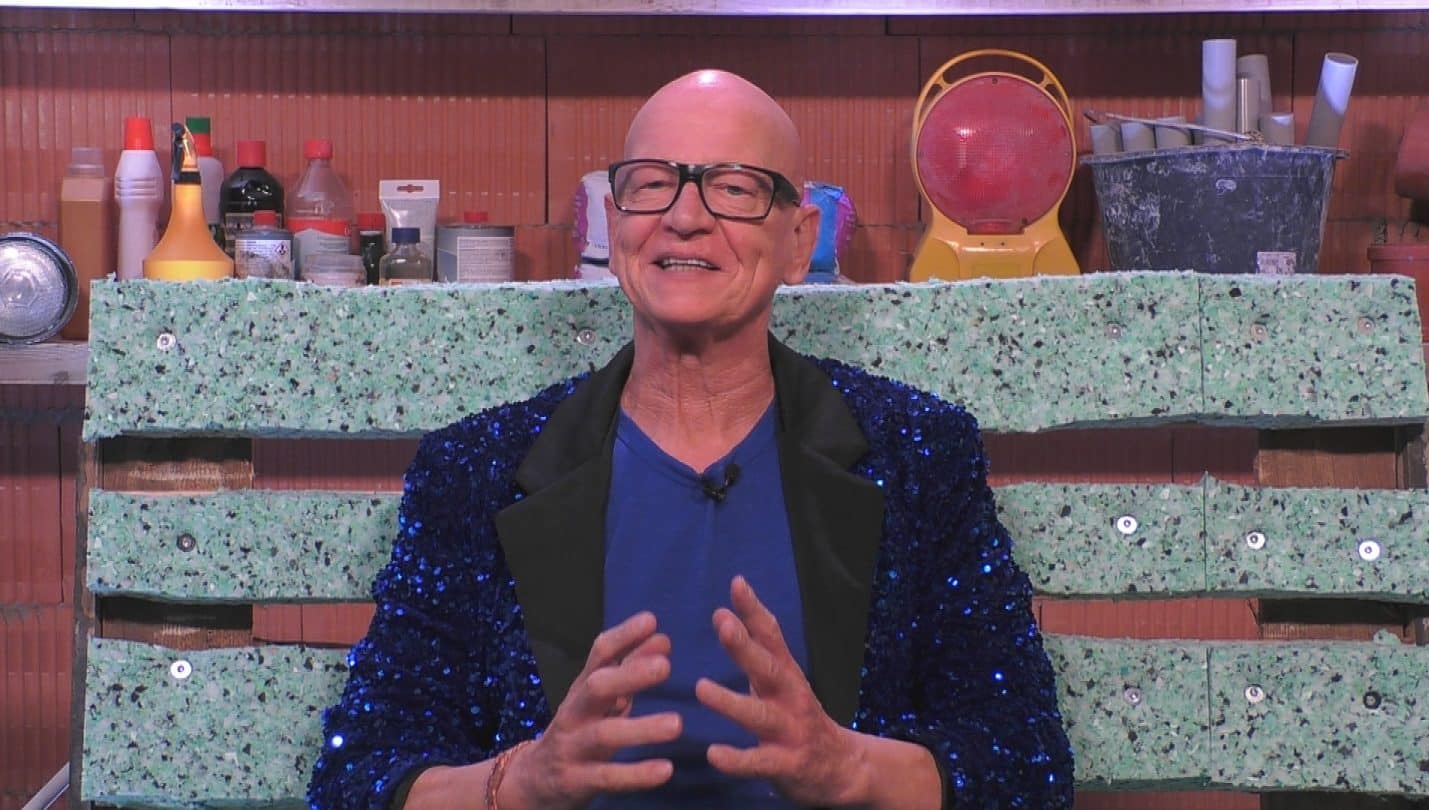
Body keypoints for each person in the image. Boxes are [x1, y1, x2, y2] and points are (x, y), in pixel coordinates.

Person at [309, 69, 1073, 810]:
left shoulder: (917, 456)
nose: (684, 216)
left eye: (734, 187)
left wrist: (851, 771)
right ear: (615, 224)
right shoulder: (476, 470)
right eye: (652, 184)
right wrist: (522, 784)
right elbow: (359, 776)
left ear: (799, 238)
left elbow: (1026, 761)